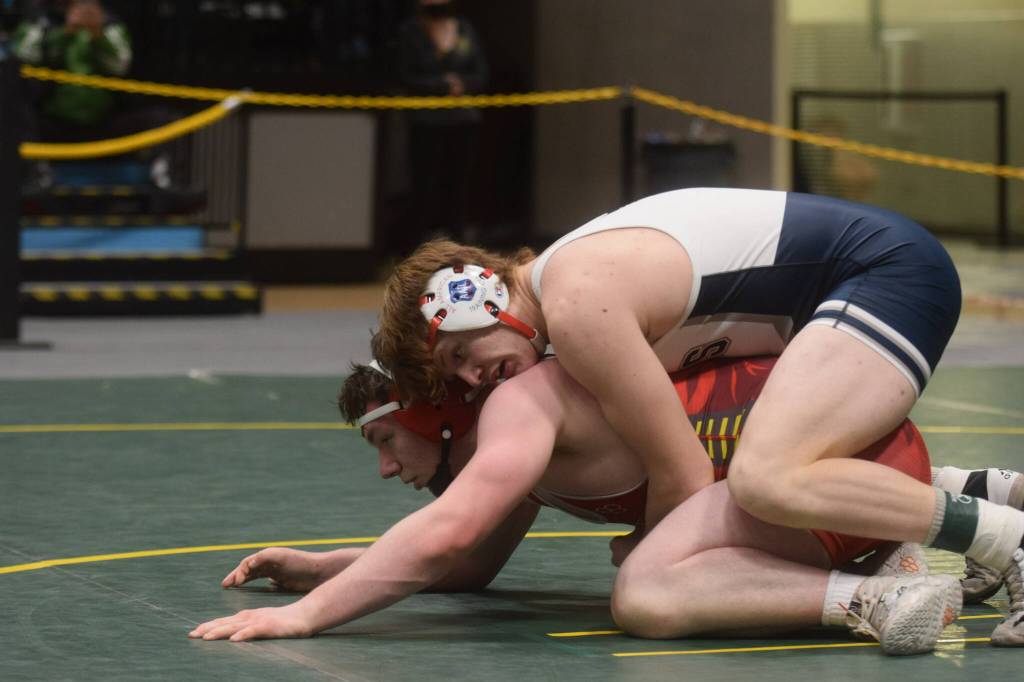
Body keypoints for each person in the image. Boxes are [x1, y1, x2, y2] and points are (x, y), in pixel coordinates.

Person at [370, 188, 1024, 639]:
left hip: (881, 273)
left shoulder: (575, 306)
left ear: (477, 300)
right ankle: (980, 494)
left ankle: (1006, 538)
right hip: (858, 279)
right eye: (452, 375)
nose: (469, 378)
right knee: (756, 454)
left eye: (460, 352)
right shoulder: (565, 298)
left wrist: (654, 553)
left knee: (766, 475)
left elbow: (680, 470)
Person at [192, 355, 1001, 653]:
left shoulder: (517, 414)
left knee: (647, 590)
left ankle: (884, 592)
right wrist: (325, 568)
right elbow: (467, 565)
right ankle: (959, 502)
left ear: (427, 414)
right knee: (664, 550)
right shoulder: (509, 449)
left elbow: (444, 538)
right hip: (857, 458)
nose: (385, 471)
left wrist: (307, 617)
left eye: (383, 444)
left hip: (825, 475)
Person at [13, 0, 179, 188]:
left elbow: (120, 64)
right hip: (52, 124)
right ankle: (35, 176)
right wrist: (65, 33)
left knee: (164, 120)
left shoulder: (109, 22)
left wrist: (98, 34)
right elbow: (24, 57)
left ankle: (161, 181)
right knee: (15, 118)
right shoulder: (38, 19)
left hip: (104, 123)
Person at [393, 0, 488, 254]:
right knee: (423, 189)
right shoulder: (410, 31)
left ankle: (458, 253)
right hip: (426, 121)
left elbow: (481, 73)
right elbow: (403, 76)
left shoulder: (464, 29)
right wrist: (441, 86)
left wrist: (461, 84)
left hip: (463, 119)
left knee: (458, 188)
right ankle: (416, 255)